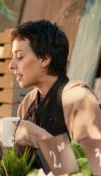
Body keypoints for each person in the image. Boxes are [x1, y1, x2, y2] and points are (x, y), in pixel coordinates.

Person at [9, 20, 101, 149]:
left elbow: (93, 165)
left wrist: (40, 138)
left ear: (45, 59)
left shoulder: (80, 100)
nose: (11, 65)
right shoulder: (28, 102)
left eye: (19, 56)